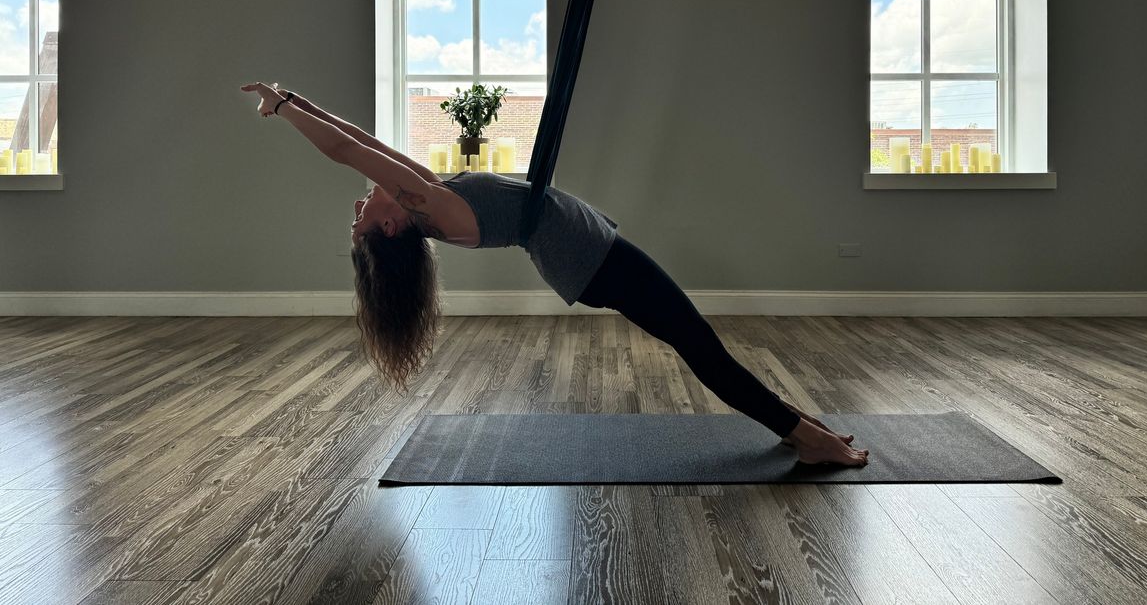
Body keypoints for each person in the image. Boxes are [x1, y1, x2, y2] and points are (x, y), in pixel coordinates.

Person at [241, 81, 869, 467]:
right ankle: (801, 434)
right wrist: (285, 111)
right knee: (697, 341)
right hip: (589, 262)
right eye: (359, 218)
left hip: (587, 257)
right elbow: (346, 152)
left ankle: (798, 428)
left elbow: (359, 140)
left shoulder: (425, 196)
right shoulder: (423, 204)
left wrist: (289, 101)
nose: (358, 203)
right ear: (390, 227)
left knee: (696, 339)